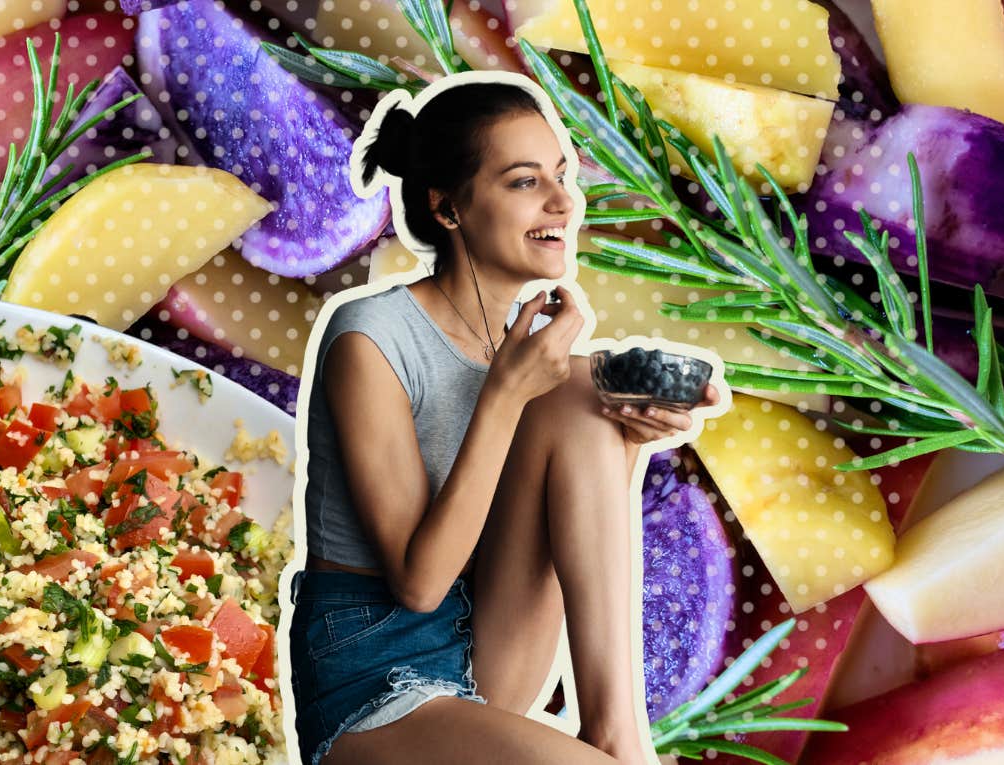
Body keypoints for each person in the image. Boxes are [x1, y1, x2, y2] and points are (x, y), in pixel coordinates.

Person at [286, 73, 721, 765]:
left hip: (481, 644)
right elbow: (420, 582)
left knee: (582, 392)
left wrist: (623, 444)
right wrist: (504, 396)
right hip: (370, 672)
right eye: (524, 181)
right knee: (568, 387)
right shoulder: (368, 336)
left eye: (561, 174)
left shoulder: (532, 350)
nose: (561, 200)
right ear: (449, 207)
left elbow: (549, 533)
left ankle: (618, 735)